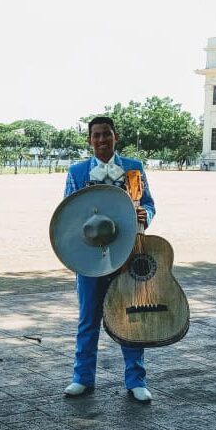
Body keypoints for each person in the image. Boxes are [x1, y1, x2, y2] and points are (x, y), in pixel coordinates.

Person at [63, 116, 156, 402]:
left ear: (116, 136)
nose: (101, 140)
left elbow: (148, 203)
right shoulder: (77, 172)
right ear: (89, 140)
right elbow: (68, 211)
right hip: (89, 256)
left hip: (128, 253)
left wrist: (146, 216)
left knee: (132, 316)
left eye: (106, 134)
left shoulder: (133, 168)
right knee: (88, 317)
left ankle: (136, 379)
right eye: (96, 136)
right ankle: (82, 377)